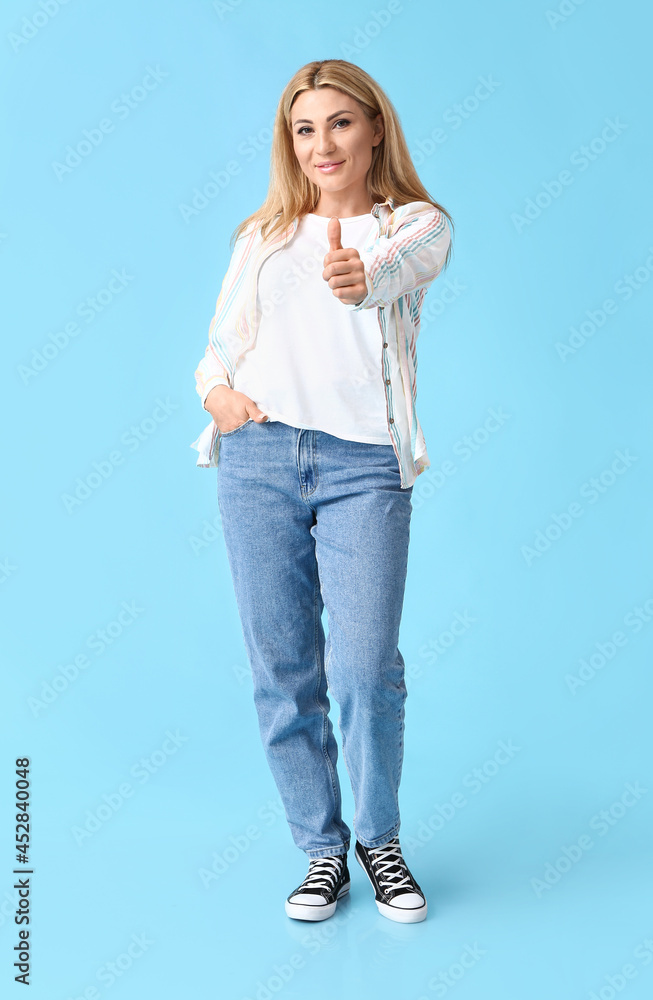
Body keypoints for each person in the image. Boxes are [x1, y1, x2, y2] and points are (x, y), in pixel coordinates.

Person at [191, 59, 453, 924]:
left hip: (363, 468)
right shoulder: (262, 237)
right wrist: (218, 397)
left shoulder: (412, 226)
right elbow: (220, 347)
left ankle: (379, 838)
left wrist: (360, 279)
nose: (322, 143)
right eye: (305, 129)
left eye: (340, 123)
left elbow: (398, 269)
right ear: (289, 142)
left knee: (364, 667)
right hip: (258, 459)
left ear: (374, 128)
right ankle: (319, 851)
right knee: (281, 669)